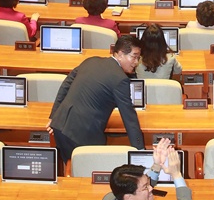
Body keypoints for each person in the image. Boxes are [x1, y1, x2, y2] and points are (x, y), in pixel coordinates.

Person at [47, 35, 145, 163]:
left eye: (138, 58)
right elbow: (129, 118)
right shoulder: (120, 79)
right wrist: (141, 151)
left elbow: (65, 85)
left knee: (72, 167)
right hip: (83, 135)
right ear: (120, 54)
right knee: (92, 170)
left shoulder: (91, 61)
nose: (136, 62)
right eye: (134, 56)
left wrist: (54, 115)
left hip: (60, 125)